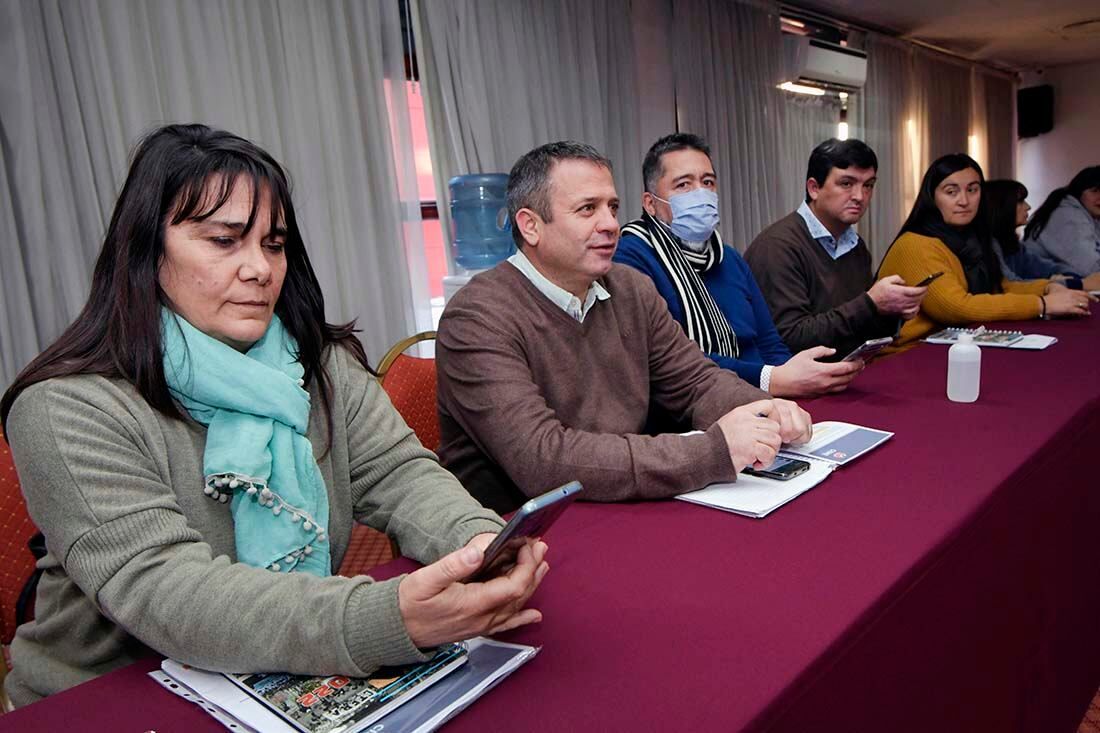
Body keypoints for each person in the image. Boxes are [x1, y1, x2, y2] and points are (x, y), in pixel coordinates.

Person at [0, 124, 548, 707]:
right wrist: (380, 619)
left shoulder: (318, 365)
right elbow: (166, 592)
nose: (261, 269)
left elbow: (402, 476)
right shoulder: (67, 405)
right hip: (107, 696)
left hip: (283, 676)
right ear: (146, 251)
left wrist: (478, 545)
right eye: (223, 240)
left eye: (274, 244)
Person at [435, 141, 812, 514]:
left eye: (612, 207)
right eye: (588, 209)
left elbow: (696, 382)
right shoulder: (476, 318)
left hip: (623, 500)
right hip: (522, 528)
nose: (611, 225)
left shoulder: (630, 287)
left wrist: (764, 409)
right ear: (531, 226)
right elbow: (544, 461)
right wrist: (714, 451)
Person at [614, 133, 862, 398]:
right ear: (650, 203)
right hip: (695, 408)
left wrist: (795, 380)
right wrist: (771, 379)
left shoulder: (727, 257)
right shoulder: (631, 258)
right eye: (683, 185)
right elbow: (668, 361)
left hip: (766, 399)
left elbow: (769, 342)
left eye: (707, 182)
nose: (700, 193)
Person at [876, 154, 1090, 347]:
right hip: (909, 353)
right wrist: (1041, 304)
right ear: (932, 198)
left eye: (972, 190)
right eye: (951, 192)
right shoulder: (917, 243)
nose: (964, 201)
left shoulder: (972, 238)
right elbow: (957, 308)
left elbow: (999, 287)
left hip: (955, 344)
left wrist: (1048, 288)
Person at [744, 138, 928, 360]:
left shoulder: (855, 245)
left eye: (868, 185)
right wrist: (871, 303)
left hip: (848, 372)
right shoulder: (777, 246)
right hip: (796, 386)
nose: (860, 196)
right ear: (814, 188)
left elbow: (857, 328)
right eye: (846, 184)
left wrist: (892, 312)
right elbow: (791, 339)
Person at [984, 179, 1100, 291]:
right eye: (1020, 201)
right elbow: (1011, 285)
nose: (1028, 206)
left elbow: (1046, 268)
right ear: (1001, 207)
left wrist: (1070, 277)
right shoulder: (988, 243)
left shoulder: (1013, 244)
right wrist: (1077, 283)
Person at [1022, 166, 1100, 276]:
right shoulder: (1066, 216)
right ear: (1079, 192)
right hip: (1036, 287)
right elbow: (1091, 269)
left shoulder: (1091, 215)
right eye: (1095, 191)